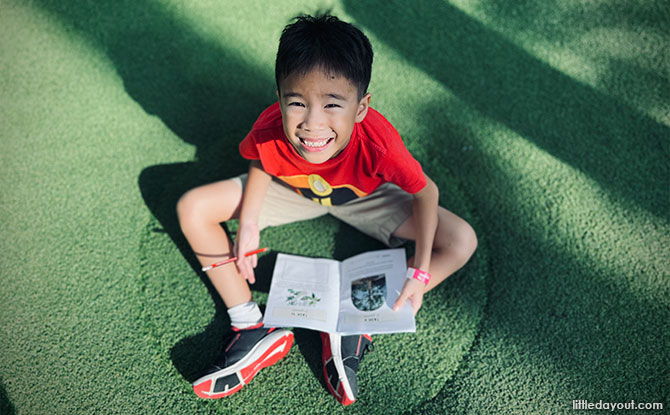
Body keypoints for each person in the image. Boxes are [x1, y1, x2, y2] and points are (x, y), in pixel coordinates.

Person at [177, 13, 477, 405]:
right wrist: (249, 222)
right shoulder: (270, 127)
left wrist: (419, 271)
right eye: (297, 103)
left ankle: (353, 322)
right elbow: (262, 160)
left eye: (332, 104)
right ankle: (250, 325)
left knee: (460, 240)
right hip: (293, 190)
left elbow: (426, 192)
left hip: (365, 197)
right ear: (279, 98)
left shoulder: (379, 143)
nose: (312, 124)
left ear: (362, 107)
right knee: (193, 208)